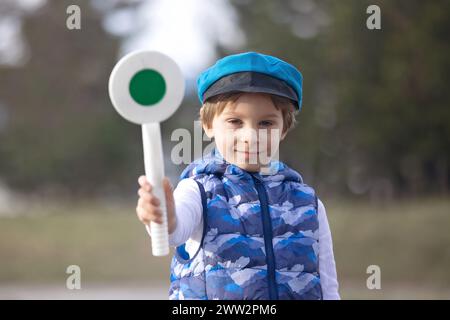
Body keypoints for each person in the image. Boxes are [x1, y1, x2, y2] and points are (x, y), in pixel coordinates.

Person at [136, 52, 340, 300]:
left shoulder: (308, 203)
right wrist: (162, 215)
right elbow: (174, 230)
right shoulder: (198, 190)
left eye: (266, 123)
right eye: (235, 121)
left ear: (284, 128)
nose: (250, 136)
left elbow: (328, 287)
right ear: (208, 125)